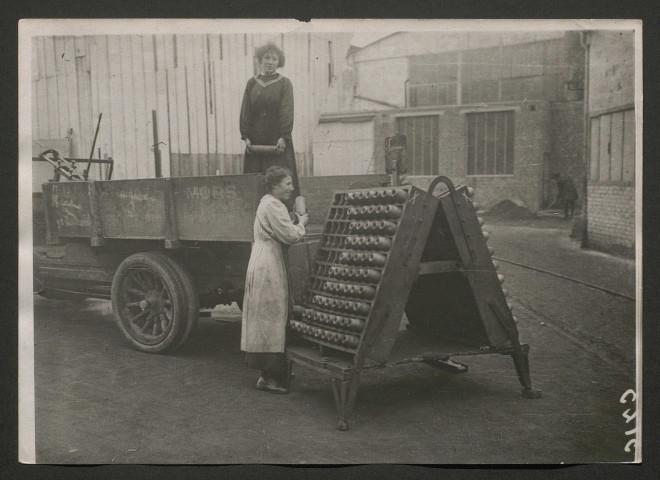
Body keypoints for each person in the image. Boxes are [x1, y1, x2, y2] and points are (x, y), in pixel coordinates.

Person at [241, 166, 308, 394]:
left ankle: (273, 373)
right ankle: (269, 377)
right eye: (287, 183)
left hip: (265, 258)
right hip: (267, 262)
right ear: (275, 185)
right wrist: (302, 223)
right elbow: (289, 235)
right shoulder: (273, 205)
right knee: (270, 316)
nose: (291, 188)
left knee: (267, 315)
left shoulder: (267, 203)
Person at [240, 43, 300, 208]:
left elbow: (287, 110)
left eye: (274, 58)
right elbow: (246, 111)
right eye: (267, 57)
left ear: (279, 62)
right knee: (255, 178)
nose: (270, 61)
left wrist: (284, 136)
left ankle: (284, 214)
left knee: (280, 177)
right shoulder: (252, 83)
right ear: (260, 60)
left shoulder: (284, 83)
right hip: (256, 140)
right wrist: (246, 137)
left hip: (277, 139)